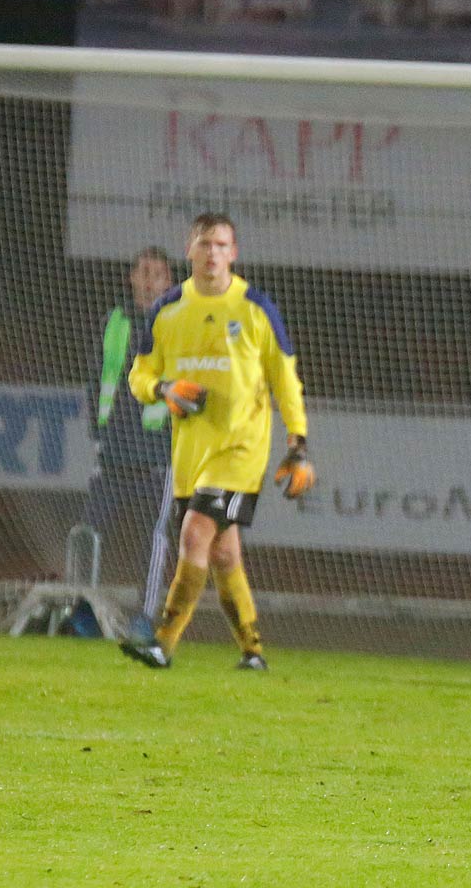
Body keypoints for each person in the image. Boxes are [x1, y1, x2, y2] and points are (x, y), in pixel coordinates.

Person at [121, 212, 315, 670]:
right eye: (205, 244)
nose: (213, 253)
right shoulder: (167, 308)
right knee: (224, 551)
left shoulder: (255, 308)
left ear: (235, 253)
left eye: (222, 245)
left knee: (194, 533)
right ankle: (252, 650)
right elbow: (140, 373)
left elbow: (284, 378)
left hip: (242, 448)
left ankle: (161, 642)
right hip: (191, 454)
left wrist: (297, 440)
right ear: (189, 250)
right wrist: (163, 389)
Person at [83, 247, 177, 640]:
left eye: (157, 273)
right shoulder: (115, 320)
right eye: (143, 271)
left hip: (159, 455)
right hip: (116, 450)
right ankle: (82, 611)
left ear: (170, 282)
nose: (149, 279)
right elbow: (99, 375)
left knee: (154, 539)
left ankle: (147, 618)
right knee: (87, 530)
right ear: (131, 278)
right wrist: (99, 428)